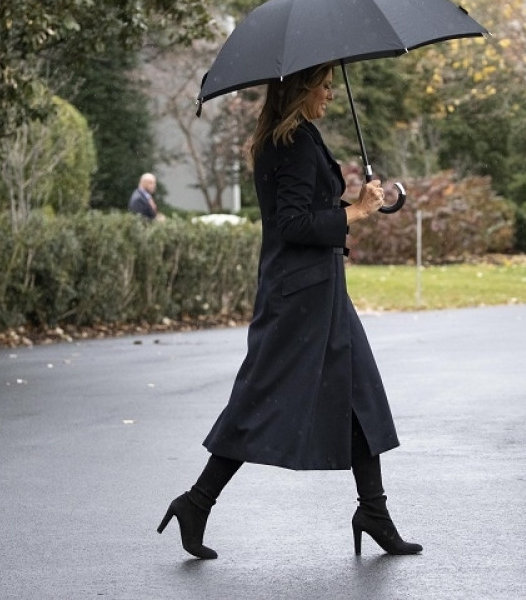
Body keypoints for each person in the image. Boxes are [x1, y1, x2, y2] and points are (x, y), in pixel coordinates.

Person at [157, 64, 421, 559]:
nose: (330, 94)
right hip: (298, 298)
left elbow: (309, 207)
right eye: (324, 86)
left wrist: (359, 202)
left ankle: (374, 511)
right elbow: (293, 224)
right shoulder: (292, 143)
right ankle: (196, 502)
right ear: (301, 88)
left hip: (319, 291)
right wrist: (355, 212)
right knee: (260, 400)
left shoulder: (295, 137)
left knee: (361, 392)